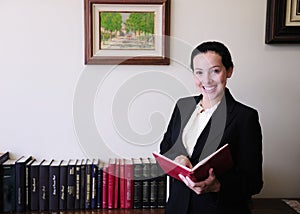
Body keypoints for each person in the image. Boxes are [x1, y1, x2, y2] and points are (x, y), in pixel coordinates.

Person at [159, 41, 263, 214]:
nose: (206, 80)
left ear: (229, 71)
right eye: (199, 72)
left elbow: (253, 182)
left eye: (215, 71)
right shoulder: (182, 106)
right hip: (177, 207)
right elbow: (165, 148)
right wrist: (177, 159)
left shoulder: (245, 117)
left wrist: (217, 185)